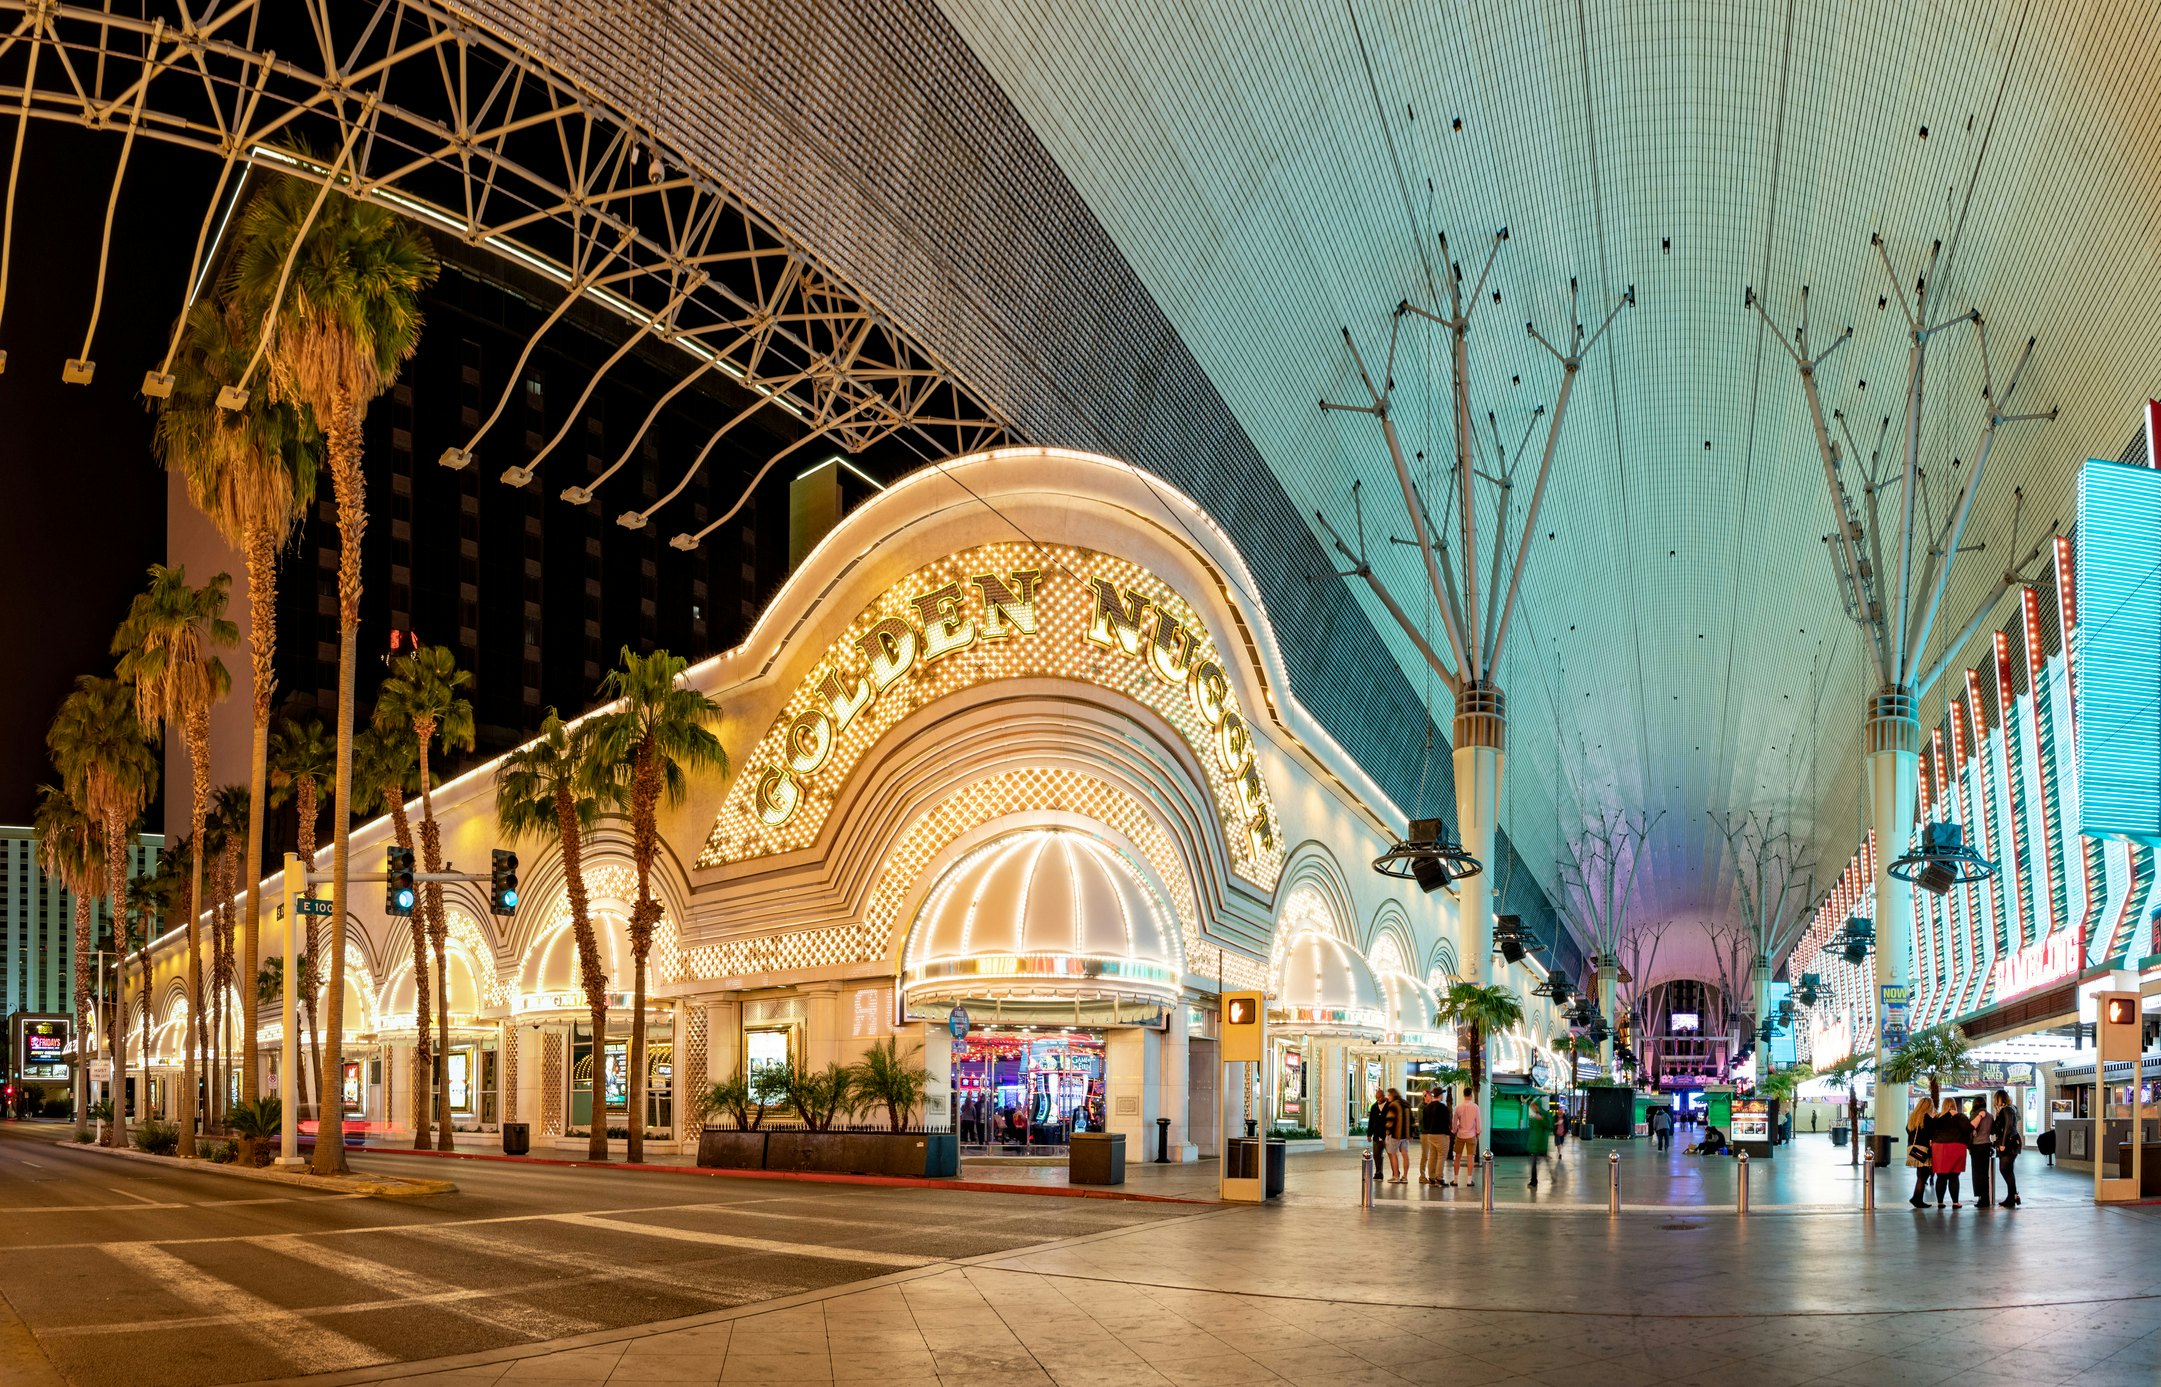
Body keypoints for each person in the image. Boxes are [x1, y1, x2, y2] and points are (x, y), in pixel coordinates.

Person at [1928, 1096, 1973, 1207]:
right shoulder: (1960, 1116)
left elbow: (1931, 1130)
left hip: (1939, 1148)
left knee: (1940, 1176)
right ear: (1954, 1105)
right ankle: (1955, 1202)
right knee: (1954, 1176)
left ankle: (1940, 1202)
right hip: (1956, 1147)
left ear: (1943, 1105)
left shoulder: (1937, 1117)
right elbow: (1968, 1129)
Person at [1905, 1094, 1938, 1209]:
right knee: (1923, 1175)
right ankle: (1917, 1199)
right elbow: (1932, 1132)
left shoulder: (1912, 1117)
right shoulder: (1927, 1118)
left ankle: (1916, 1198)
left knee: (1921, 1174)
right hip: (1922, 1149)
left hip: (1912, 1149)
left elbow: (1907, 1130)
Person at [1992, 1088, 2023, 1209]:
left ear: (2000, 1099)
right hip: (2011, 1142)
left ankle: (2013, 1196)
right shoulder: (2007, 1110)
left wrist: (2003, 1143)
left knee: (2005, 1169)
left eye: (1996, 1099)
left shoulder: (2007, 1109)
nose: (1995, 1102)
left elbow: (2008, 1126)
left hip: (2009, 1143)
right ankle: (2012, 1197)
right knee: (2008, 1170)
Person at [1967, 1094, 1995, 1208]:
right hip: (1986, 1145)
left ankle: (1981, 1198)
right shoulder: (1990, 1116)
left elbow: (1970, 1130)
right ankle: (1986, 1197)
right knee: (1984, 1173)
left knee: (1977, 1173)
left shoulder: (1974, 1115)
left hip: (1976, 1146)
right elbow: (1992, 1131)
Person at [1451, 1086, 1482, 1188]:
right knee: (1470, 1158)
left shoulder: (1458, 1107)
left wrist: (1454, 1131)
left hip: (1460, 1135)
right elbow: (1478, 1121)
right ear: (1471, 1095)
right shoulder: (1475, 1107)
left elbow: (1454, 1122)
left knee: (1457, 1157)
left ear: (1463, 1094)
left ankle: (1455, 1180)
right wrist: (1478, 1132)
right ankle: (1469, 1180)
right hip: (1471, 1135)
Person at [1419, 1087, 1451, 1185]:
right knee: (1441, 1156)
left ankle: (1431, 1177)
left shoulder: (1427, 1108)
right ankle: (1439, 1177)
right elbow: (1447, 1122)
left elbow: (1425, 1123)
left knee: (1432, 1156)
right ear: (1440, 1095)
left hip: (1430, 1134)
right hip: (1441, 1135)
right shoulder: (1443, 1108)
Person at [1384, 1087, 1412, 1183]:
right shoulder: (1406, 1104)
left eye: (1389, 1095)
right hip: (1405, 1134)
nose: (1388, 1097)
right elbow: (1411, 1120)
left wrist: (1387, 1132)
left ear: (1393, 1095)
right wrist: (1410, 1134)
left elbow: (1390, 1120)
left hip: (1396, 1134)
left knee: (1393, 1154)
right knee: (1405, 1154)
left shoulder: (1393, 1105)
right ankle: (1405, 1177)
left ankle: (1396, 1176)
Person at [1525, 1095, 1554, 1188]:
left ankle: (1551, 1176)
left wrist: (1541, 1120)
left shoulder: (1545, 1114)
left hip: (1541, 1143)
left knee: (1541, 1162)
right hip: (1534, 1144)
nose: (1533, 1108)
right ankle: (1533, 1181)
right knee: (1534, 1163)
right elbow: (1532, 1128)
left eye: (1534, 1106)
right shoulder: (1534, 1116)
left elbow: (1549, 1126)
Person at [1366, 1094, 1387, 1181]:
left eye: (1380, 1097)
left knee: (1392, 1155)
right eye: (1377, 1098)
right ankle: (1378, 1173)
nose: (1378, 1099)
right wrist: (1369, 1134)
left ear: (1384, 1096)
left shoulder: (1389, 1105)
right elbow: (1371, 1121)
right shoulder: (1374, 1107)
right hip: (1376, 1135)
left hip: (1386, 1135)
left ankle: (1396, 1174)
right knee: (1376, 1155)